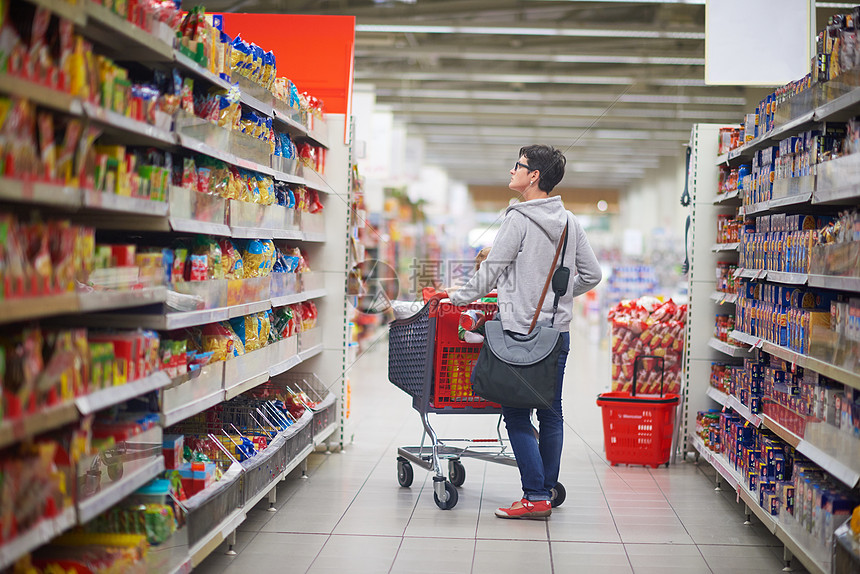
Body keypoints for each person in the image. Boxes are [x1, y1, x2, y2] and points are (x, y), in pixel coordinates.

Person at [448, 144, 602, 519]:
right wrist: (558, 296)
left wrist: (456, 297)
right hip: (556, 333)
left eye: (518, 165)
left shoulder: (518, 219)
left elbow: (491, 272)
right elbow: (593, 275)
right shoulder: (569, 222)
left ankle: (534, 497)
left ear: (533, 176)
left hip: (519, 332)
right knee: (551, 413)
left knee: (517, 416)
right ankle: (545, 489)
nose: (512, 170)